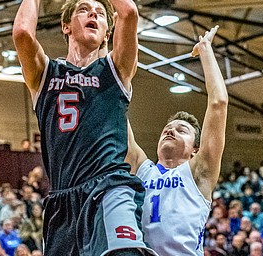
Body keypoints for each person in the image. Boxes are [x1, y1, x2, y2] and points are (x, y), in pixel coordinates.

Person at [12, 0, 157, 255]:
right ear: (65, 26)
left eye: (100, 13)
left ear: (107, 34)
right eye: (83, 9)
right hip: (62, 200)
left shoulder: (115, 69)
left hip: (110, 187)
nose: (93, 13)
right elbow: (22, 33)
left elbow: (129, 12)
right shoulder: (46, 73)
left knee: (124, 252)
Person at [125, 25, 228, 255]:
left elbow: (218, 103)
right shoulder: (143, 169)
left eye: (181, 130)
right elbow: (117, 114)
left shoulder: (199, 172)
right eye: (167, 129)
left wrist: (206, 50)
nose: (170, 131)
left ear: (195, 149)